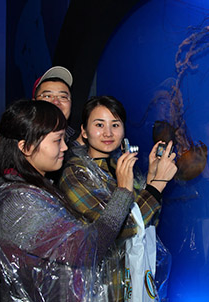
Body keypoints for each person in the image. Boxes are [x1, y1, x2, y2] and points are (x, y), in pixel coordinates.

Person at [0, 100, 134, 301]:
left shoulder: (31, 187)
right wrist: (123, 192)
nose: (65, 147)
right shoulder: (17, 202)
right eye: (58, 140)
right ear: (26, 147)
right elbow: (87, 250)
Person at [59, 95, 177, 300]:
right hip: (96, 287)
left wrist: (151, 178)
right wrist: (158, 184)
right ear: (84, 132)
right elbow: (121, 228)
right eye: (99, 124)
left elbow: (149, 224)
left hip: (130, 278)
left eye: (115, 124)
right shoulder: (74, 174)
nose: (108, 132)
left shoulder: (121, 167)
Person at [32, 66, 82, 146]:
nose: (56, 102)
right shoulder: (21, 139)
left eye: (63, 97)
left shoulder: (81, 142)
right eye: (48, 96)